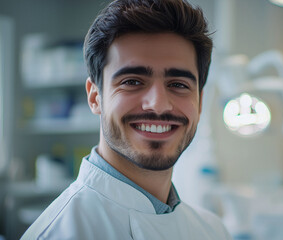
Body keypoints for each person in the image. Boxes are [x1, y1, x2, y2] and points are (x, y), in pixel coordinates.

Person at [21, 0, 231, 239]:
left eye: (178, 84)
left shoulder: (213, 231)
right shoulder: (60, 233)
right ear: (95, 97)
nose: (159, 104)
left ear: (200, 102)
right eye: (132, 81)